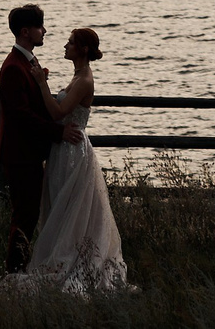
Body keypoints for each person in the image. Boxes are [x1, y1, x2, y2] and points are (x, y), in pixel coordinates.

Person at [8, 26, 128, 292]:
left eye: (71, 42)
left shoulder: (85, 79)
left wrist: (41, 84)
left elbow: (58, 112)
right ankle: (60, 254)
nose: (65, 45)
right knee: (59, 204)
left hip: (74, 152)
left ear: (82, 49)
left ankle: (71, 259)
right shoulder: (77, 76)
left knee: (70, 206)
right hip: (62, 149)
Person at [0, 3, 79, 273]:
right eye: (40, 27)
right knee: (24, 216)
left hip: (27, 154)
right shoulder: (14, 68)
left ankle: (20, 269)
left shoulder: (27, 61)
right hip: (20, 155)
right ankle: (14, 273)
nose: (45, 31)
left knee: (29, 215)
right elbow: (20, 115)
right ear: (25, 31)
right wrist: (59, 132)